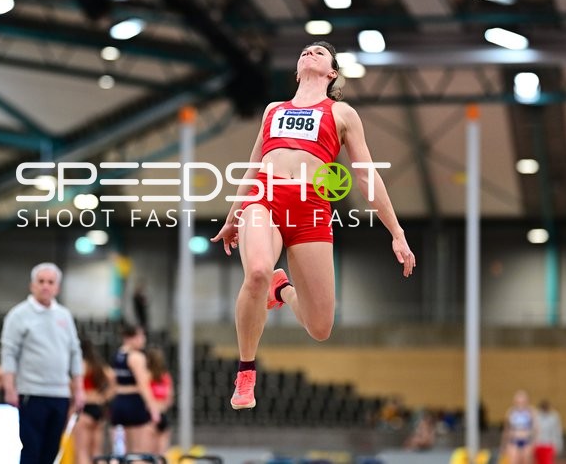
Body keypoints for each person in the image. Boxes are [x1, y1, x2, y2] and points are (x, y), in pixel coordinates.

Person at [211, 41, 416, 409]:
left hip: (312, 210)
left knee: (320, 328)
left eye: (320, 53)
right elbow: (253, 165)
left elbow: (367, 177)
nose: (310, 53)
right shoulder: (274, 110)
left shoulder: (342, 114)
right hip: (266, 199)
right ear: (296, 69)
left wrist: (397, 232)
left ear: (332, 73)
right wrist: (233, 217)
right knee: (256, 271)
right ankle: (245, 372)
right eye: (304, 51)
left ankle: (283, 290)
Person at [0, 262, 85, 464]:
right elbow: (9, 351)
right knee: (31, 447)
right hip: (32, 393)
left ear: (57, 287)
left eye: (50, 282)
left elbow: (75, 352)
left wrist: (79, 388)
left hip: (59, 394)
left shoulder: (64, 316)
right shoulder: (18, 315)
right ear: (32, 285)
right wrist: (9, 386)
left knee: (51, 450)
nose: (45, 286)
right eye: (41, 281)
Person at [109, 325, 160, 454]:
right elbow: (143, 385)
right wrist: (153, 408)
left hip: (118, 402)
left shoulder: (117, 355)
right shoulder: (136, 357)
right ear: (130, 338)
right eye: (140, 336)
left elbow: (113, 381)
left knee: (119, 452)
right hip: (134, 402)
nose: (143, 339)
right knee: (138, 451)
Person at [71, 339, 115, 464]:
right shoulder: (98, 365)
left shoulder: (80, 364)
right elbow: (113, 378)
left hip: (84, 409)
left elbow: (74, 384)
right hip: (98, 409)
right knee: (96, 451)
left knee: (82, 451)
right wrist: (104, 397)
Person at [146, 347, 174, 456]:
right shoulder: (165, 376)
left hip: (150, 416)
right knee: (162, 454)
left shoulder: (147, 376)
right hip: (163, 413)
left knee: (149, 454)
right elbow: (169, 399)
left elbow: (145, 396)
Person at [501, 390, 538, 464]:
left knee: (526, 460)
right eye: (518, 402)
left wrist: (534, 441)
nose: (520, 404)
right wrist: (503, 444)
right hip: (513, 440)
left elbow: (536, 428)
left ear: (527, 401)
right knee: (513, 460)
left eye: (522, 402)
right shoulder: (511, 412)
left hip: (526, 440)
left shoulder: (531, 412)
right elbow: (506, 429)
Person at [534, 399, 562, 464]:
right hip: (539, 444)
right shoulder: (537, 416)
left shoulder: (554, 417)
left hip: (549, 445)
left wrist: (558, 444)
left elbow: (557, 432)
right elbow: (535, 431)